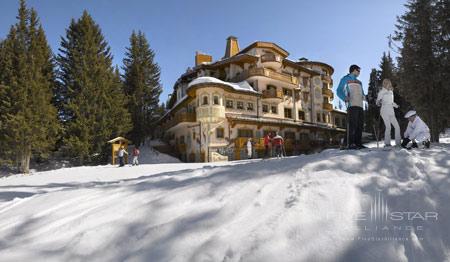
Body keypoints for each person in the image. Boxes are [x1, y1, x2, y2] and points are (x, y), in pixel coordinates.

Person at [336, 64, 366, 149]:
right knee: (352, 124)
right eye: (358, 70)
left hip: (360, 105)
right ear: (354, 70)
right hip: (352, 104)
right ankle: (349, 143)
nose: (359, 72)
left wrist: (365, 97)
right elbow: (338, 91)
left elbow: (362, 93)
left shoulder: (359, 82)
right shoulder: (345, 79)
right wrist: (344, 98)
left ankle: (358, 143)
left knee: (360, 125)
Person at [376, 79, 401, 147]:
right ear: (383, 84)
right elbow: (377, 102)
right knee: (388, 127)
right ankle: (387, 143)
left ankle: (398, 143)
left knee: (397, 127)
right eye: (385, 83)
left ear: (390, 83)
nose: (386, 84)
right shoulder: (381, 92)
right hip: (384, 111)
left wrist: (396, 106)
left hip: (391, 111)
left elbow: (392, 102)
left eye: (388, 83)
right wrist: (379, 102)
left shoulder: (391, 92)